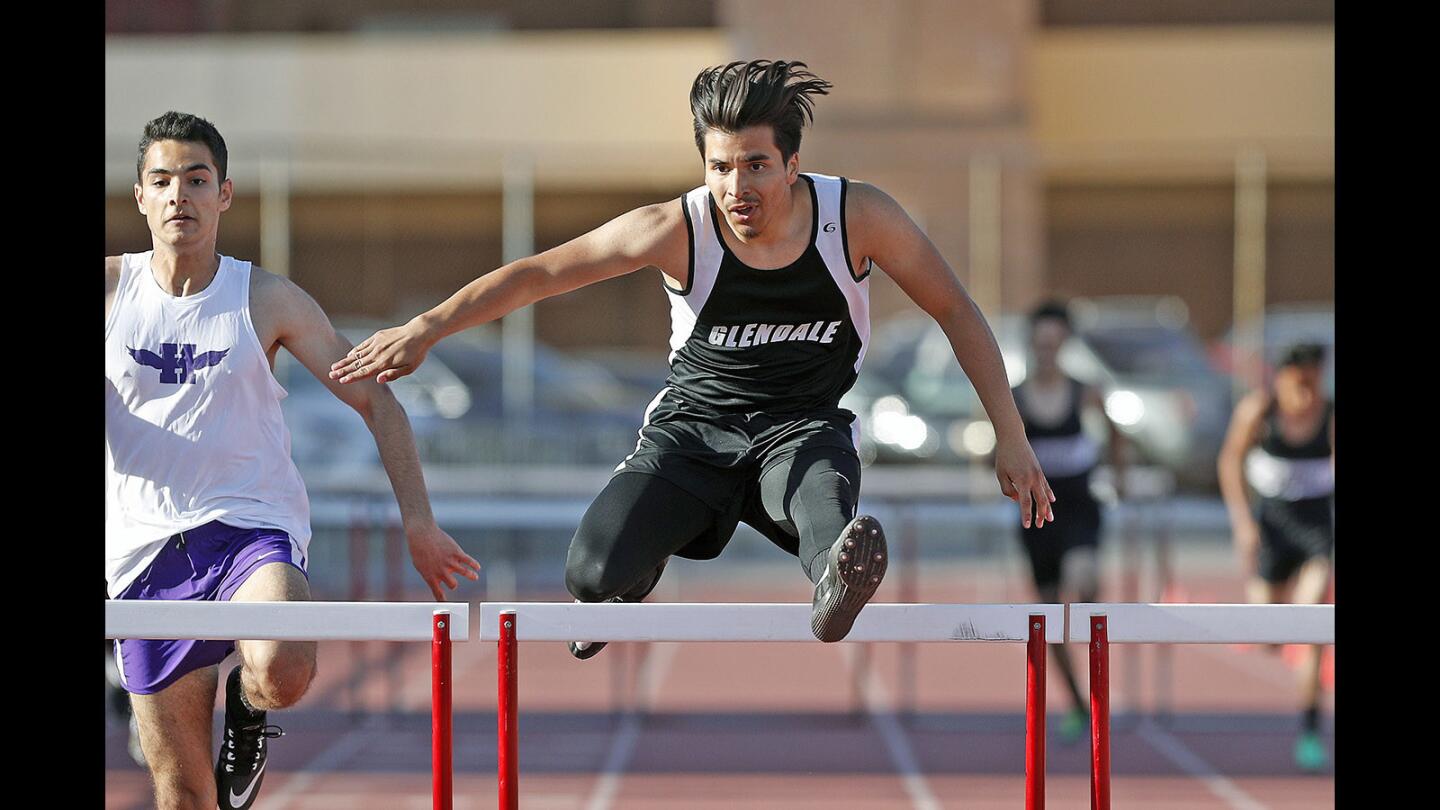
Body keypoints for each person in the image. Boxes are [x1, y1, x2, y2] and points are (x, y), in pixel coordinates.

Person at [332, 60, 1054, 654]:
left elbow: (955, 309)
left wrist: (1011, 437)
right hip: (691, 435)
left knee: (827, 514)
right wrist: (427, 328)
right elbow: (543, 273)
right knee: (589, 575)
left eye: (756, 166)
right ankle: (631, 575)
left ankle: (835, 583)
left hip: (801, 431)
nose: (738, 190)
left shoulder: (857, 217)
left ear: (795, 163)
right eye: (720, 168)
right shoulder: (677, 228)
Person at [106, 111, 482, 810]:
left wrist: (420, 524)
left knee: (282, 666)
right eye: (161, 180)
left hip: (250, 526)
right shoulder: (110, 293)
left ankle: (249, 711)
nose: (178, 195)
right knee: (183, 795)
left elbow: (378, 402)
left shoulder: (265, 298)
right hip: (142, 555)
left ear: (224, 195)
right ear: (139, 197)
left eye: (196, 179)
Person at [1012, 301, 1127, 743]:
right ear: (1031, 344)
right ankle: (1078, 700)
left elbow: (1116, 432)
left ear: (1064, 345)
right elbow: (996, 448)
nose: (1047, 352)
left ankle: (1095, 684)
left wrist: (1117, 475)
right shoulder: (1016, 397)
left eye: (1054, 344)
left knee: (1083, 584)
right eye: (1040, 344)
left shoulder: (1084, 391)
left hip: (1078, 506)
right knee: (1046, 614)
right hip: (1035, 515)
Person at [1217, 342, 1334, 771]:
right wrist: (1243, 522)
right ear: (1282, 377)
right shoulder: (1258, 412)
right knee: (1269, 633)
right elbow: (1230, 460)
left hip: (1317, 531)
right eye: (1301, 383)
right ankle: (1278, 635)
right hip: (1273, 529)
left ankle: (1309, 728)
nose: (1308, 394)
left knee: (1313, 623)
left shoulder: (1329, 416)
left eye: (1316, 382)